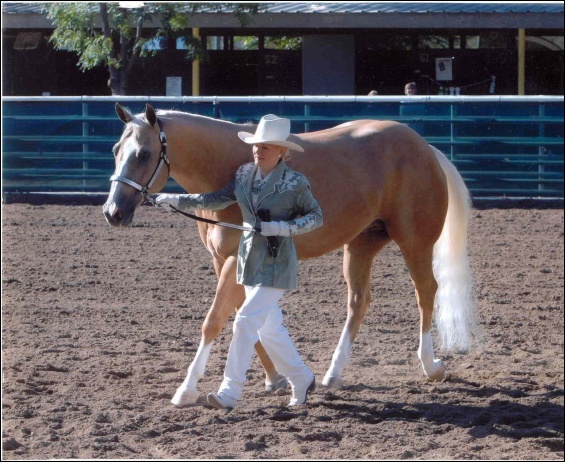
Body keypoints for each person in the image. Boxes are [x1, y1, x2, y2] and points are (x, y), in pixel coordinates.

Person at [155, 114, 323, 410]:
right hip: (248, 258)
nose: (259, 150)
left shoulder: (296, 183)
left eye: (267, 147)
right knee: (269, 328)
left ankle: (230, 392)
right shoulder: (244, 174)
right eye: (257, 145)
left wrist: (283, 228)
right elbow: (216, 200)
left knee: (245, 320)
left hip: (276, 260)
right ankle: (302, 377)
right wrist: (177, 201)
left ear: (282, 151)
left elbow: (315, 217)